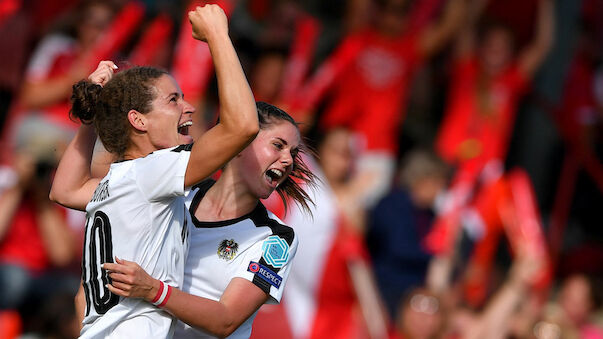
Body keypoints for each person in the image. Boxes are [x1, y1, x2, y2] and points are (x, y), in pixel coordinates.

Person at [49, 4, 259, 338]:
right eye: (173, 99)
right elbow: (243, 127)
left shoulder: (119, 180)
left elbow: (64, 190)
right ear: (138, 120)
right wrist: (218, 35)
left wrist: (90, 117)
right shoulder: (152, 173)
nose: (188, 107)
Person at [102, 102, 317, 338]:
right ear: (240, 141)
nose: (288, 161)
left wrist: (153, 289)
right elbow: (68, 192)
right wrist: (90, 110)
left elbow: (226, 320)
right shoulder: (175, 191)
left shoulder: (276, 237)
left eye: (293, 153)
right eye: (278, 146)